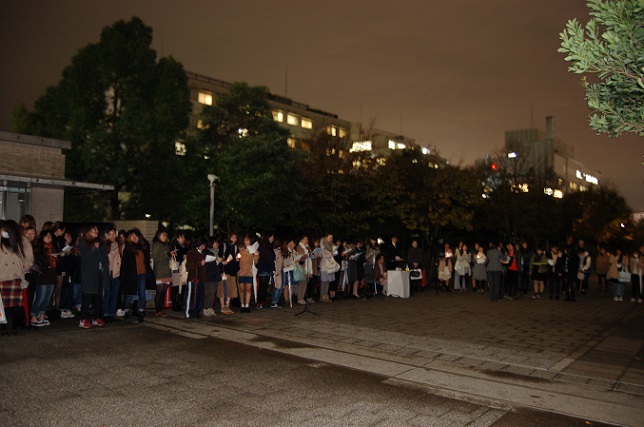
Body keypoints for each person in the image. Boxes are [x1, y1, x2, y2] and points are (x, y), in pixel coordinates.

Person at [78, 224, 107, 328]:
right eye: (94, 230)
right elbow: (85, 257)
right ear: (88, 232)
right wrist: (94, 248)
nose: (97, 231)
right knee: (87, 296)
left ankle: (95, 317)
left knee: (98, 296)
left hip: (98, 272)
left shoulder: (99, 242)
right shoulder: (83, 242)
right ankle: (83, 319)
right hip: (88, 273)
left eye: (97, 230)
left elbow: (103, 256)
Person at [0, 220, 26, 335]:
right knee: (3, 305)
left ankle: (11, 326)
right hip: (2, 276)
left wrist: (22, 272)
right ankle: (4, 327)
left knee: (13, 305)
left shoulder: (18, 242)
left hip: (14, 277)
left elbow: (26, 258)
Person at [30, 230, 57, 327]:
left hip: (51, 275)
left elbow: (56, 262)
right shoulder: (39, 248)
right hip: (43, 275)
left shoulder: (52, 247)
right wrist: (48, 257)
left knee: (48, 297)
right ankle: (33, 315)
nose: (49, 237)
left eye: (50, 235)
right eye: (46, 236)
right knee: (40, 297)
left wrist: (61, 255)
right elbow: (40, 262)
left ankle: (42, 315)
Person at [121, 230, 148, 323]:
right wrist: (124, 277)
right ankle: (127, 311)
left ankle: (141, 311)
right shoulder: (128, 249)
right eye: (132, 236)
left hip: (142, 274)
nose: (135, 238)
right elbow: (124, 265)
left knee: (142, 294)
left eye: (136, 236)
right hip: (131, 275)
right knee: (129, 294)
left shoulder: (142, 248)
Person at [185, 237, 207, 318]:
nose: (203, 247)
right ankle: (189, 312)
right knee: (191, 296)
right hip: (193, 278)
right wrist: (200, 263)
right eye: (202, 245)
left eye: (204, 245)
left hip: (201, 278)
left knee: (200, 295)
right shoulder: (191, 253)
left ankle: (197, 311)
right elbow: (189, 265)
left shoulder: (203, 254)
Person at [103, 226, 121, 323]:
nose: (113, 236)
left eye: (114, 234)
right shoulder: (104, 245)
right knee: (107, 293)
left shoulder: (117, 245)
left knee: (114, 294)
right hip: (107, 272)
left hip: (115, 272)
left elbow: (118, 259)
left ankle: (111, 313)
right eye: (110, 234)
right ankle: (106, 313)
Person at [238, 234, 259, 313]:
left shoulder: (253, 250)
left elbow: (255, 262)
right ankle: (242, 305)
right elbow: (238, 260)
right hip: (242, 272)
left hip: (249, 272)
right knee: (242, 289)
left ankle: (247, 305)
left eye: (247, 240)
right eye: (245, 240)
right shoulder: (241, 250)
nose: (245, 241)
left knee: (248, 289)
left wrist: (256, 255)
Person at [203, 236, 222, 317]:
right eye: (215, 242)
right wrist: (217, 262)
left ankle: (210, 308)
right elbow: (206, 265)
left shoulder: (217, 252)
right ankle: (205, 308)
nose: (217, 244)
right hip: (209, 275)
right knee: (209, 292)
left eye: (217, 242)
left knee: (213, 292)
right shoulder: (206, 252)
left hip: (216, 275)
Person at [256, 234, 276, 310]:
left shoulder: (269, 247)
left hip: (268, 269)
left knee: (264, 287)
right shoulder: (262, 247)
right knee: (262, 286)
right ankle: (260, 302)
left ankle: (262, 302)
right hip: (263, 268)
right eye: (271, 237)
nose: (273, 238)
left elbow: (272, 257)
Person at [318, 233, 336, 303]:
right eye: (330, 237)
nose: (331, 239)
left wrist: (333, 253)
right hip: (324, 264)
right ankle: (322, 296)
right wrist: (330, 254)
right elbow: (323, 255)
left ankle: (326, 295)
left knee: (328, 281)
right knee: (324, 281)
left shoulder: (331, 245)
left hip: (330, 264)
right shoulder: (322, 244)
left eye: (332, 237)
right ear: (326, 237)